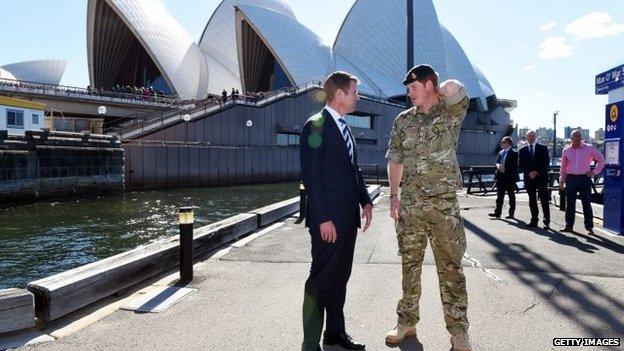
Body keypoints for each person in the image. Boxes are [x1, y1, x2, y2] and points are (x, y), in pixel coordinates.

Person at [385, 64, 472, 351]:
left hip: (444, 208)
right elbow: (395, 159)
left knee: (451, 269)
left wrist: (440, 87)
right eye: (408, 88)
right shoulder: (403, 121)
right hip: (410, 207)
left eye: (414, 87)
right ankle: (406, 322)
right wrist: (394, 196)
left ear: (430, 85)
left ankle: (458, 330)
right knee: (409, 267)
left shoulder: (450, 114)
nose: (409, 92)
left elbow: (457, 90)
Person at [299, 71, 373, 351]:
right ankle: (310, 343)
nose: (358, 96)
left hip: (347, 220)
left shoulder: (345, 126)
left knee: (339, 278)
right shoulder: (315, 125)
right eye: (355, 91)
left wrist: (365, 200)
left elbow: (353, 169)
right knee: (320, 280)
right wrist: (324, 218)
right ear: (339, 94)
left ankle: (334, 333)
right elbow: (312, 176)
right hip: (328, 222)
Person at [559, 130, 605, 234]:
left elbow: (602, 159)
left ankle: (589, 228)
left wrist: (594, 172)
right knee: (570, 203)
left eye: (579, 136)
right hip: (570, 178)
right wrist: (561, 180)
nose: (578, 137)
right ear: (571, 138)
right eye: (575, 136)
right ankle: (568, 226)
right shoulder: (566, 150)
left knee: (586, 203)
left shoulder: (589, 148)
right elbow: (563, 167)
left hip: (584, 178)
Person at [518, 130, 551, 229]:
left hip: (541, 177)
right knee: (532, 200)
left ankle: (546, 221)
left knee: (544, 199)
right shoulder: (522, 150)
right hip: (529, 178)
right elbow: (521, 164)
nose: (531, 137)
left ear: (536, 137)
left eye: (533, 136)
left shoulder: (543, 148)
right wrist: (529, 172)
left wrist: (536, 172)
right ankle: (534, 220)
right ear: (526, 137)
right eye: (529, 136)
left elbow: (546, 162)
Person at [489, 136, 519, 219]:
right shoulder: (500, 152)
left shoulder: (514, 153)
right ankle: (497, 213)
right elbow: (497, 162)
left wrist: (504, 169)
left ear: (508, 143)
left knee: (511, 195)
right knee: (499, 196)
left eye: (503, 142)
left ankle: (511, 213)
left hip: (509, 177)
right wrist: (498, 165)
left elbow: (514, 166)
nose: (501, 143)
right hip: (500, 177)